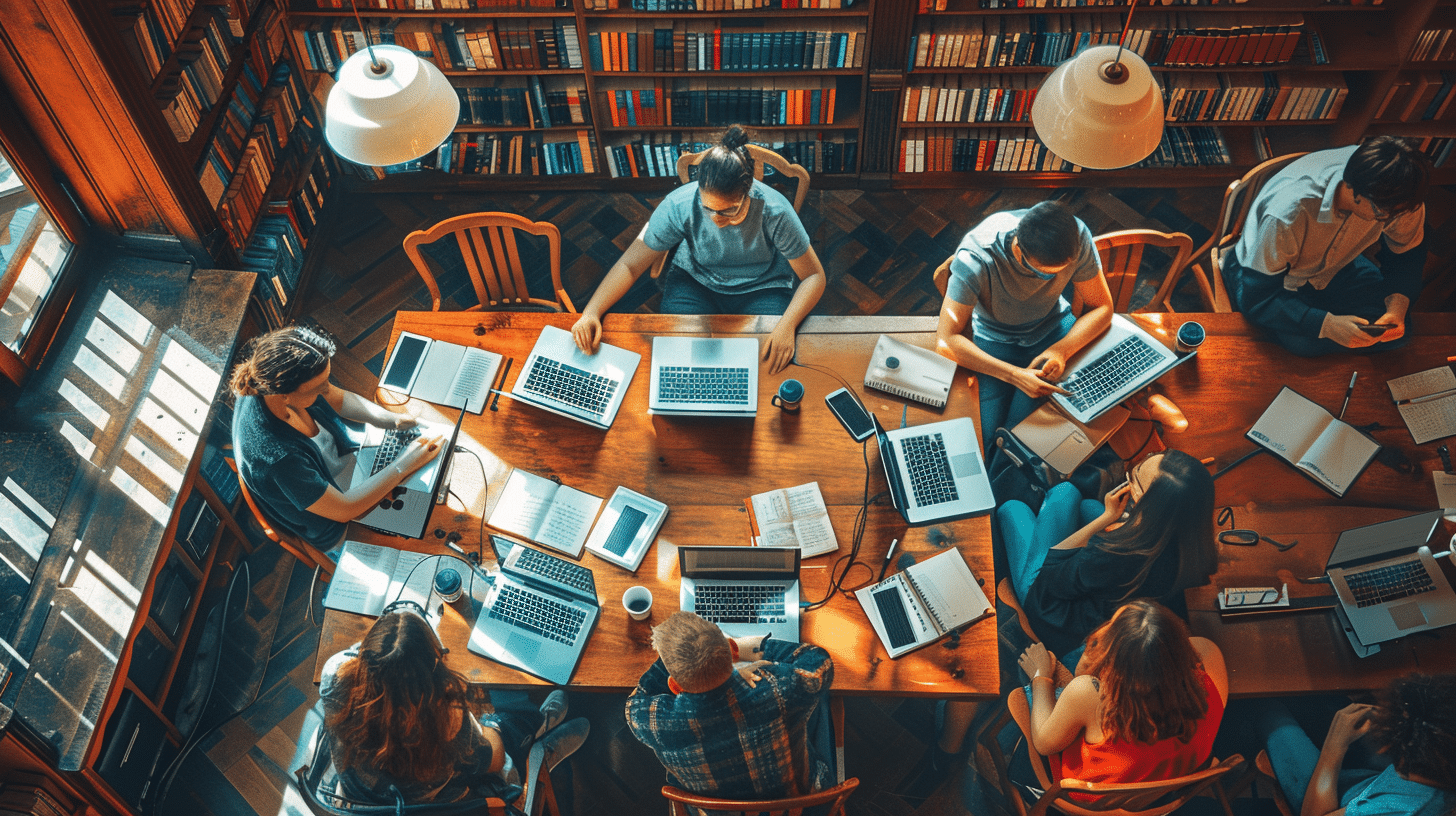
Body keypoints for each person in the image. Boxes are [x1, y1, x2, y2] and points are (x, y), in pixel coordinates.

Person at [571, 125, 826, 374]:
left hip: (762, 286)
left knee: (765, 367)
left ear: (747, 192)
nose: (716, 218)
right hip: (695, 283)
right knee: (680, 361)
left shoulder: (775, 211)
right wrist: (592, 311)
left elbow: (814, 276)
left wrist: (787, 325)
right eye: (708, 208)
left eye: (729, 210)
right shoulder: (678, 205)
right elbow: (630, 264)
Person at [319, 604, 589, 803]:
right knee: (505, 722)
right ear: (434, 666)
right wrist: (487, 727)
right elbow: (493, 759)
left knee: (484, 728)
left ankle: (536, 730)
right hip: (444, 799)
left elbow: (359, 657)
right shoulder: (445, 726)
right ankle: (538, 752)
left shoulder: (335, 674)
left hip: (370, 802)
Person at [229, 326, 446, 551]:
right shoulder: (277, 459)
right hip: (337, 525)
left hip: (344, 471)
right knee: (429, 531)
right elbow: (345, 510)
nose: (327, 390)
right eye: (318, 389)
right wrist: (404, 465)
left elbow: (336, 396)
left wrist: (392, 420)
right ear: (285, 394)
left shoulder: (270, 378)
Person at [998, 449, 1218, 662]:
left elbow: (1050, 573)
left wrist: (1106, 518)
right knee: (1087, 507)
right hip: (1111, 606)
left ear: (1143, 501)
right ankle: (1045, 514)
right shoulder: (1195, 545)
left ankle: (1036, 507)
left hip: (1056, 615)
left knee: (1018, 508)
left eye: (1135, 478)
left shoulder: (1113, 555)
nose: (1132, 474)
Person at [1225, 136, 1431, 357]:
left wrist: (1397, 308)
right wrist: (1327, 325)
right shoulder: (1289, 213)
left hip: (1336, 264)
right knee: (1304, 346)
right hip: (1268, 277)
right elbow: (1257, 297)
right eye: (1382, 214)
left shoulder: (1397, 196)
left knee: (1398, 330)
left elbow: (1407, 256)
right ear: (1355, 191)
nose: (1392, 219)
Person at [934, 201, 1114, 442]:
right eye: (1043, 273)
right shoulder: (976, 259)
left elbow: (1102, 306)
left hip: (1055, 329)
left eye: (1062, 271)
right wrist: (1015, 375)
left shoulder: (1076, 236)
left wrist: (1061, 350)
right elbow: (946, 341)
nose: (1051, 279)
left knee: (1083, 419)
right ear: (1018, 248)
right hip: (994, 343)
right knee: (989, 439)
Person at [1016, 599, 1228, 792]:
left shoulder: (1088, 694)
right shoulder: (1209, 654)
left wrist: (1041, 676)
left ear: (1115, 666)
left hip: (1094, 795)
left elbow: (1044, 743)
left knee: (1024, 652)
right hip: (1163, 789)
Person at [625, 611, 835, 801]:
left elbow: (637, 699)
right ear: (733, 652)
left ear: (674, 686)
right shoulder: (780, 688)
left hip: (714, 811)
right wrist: (754, 650)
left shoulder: (657, 723)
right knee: (820, 703)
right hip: (796, 803)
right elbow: (818, 661)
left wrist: (676, 655)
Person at [1254, 674, 1456, 816]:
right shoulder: (1439, 769)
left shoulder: (1405, 808)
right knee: (1325, 698)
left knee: (1266, 704)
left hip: (1321, 802)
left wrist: (1334, 748)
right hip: (1369, 782)